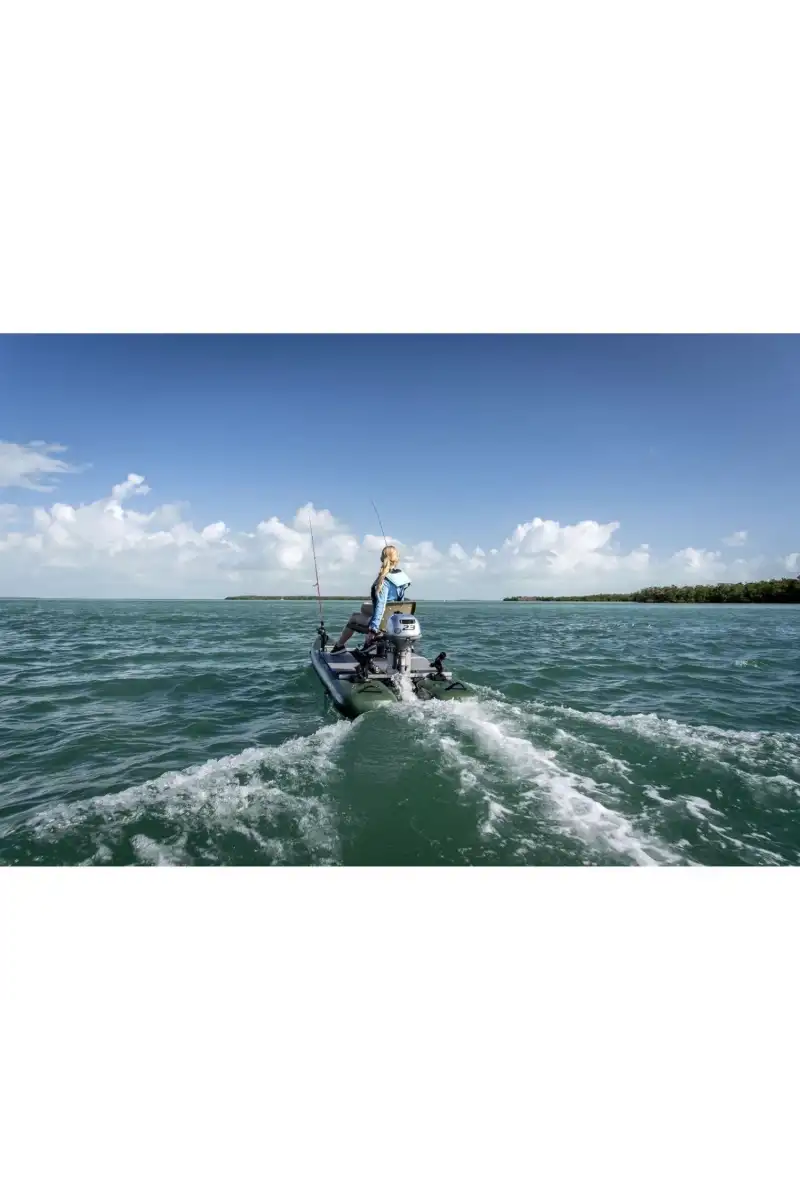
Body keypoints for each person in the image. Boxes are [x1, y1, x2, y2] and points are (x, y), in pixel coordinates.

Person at [331, 544, 411, 653]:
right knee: (364, 607)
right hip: (393, 619)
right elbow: (399, 604)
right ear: (396, 559)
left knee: (354, 617)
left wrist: (373, 630)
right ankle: (366, 643)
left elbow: (381, 605)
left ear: (382, 558)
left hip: (382, 623)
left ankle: (339, 646)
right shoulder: (401, 579)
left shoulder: (385, 580)